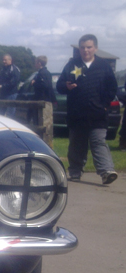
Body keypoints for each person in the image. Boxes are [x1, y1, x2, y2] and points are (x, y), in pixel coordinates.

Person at [56, 34, 118, 184]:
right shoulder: (72, 65)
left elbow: (112, 88)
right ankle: (75, 171)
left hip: (98, 114)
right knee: (77, 144)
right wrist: (66, 86)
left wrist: (104, 104)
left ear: (95, 48)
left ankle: (106, 172)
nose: (86, 50)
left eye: (89, 47)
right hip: (77, 114)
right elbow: (59, 85)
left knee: (98, 142)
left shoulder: (104, 66)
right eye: (83, 47)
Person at [28, 55, 57, 124]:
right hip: (45, 99)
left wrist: (34, 83)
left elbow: (45, 85)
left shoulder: (42, 73)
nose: (35, 64)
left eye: (35, 62)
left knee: (39, 121)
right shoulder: (46, 72)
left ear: (39, 63)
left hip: (42, 99)